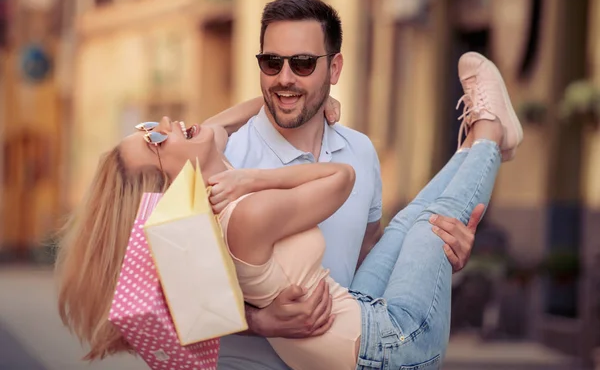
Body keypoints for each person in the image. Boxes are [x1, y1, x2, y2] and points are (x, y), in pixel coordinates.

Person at [55, 49, 522, 370]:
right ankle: (489, 133)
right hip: (389, 348)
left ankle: (479, 143)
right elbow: (340, 181)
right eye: (155, 138)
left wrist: (304, 102)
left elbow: (217, 125)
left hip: (359, 316)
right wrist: (256, 319)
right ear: (169, 183)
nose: (163, 123)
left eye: (302, 65)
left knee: (413, 225)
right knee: (430, 224)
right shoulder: (233, 210)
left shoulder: (212, 172)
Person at [202, 0, 481, 370]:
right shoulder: (226, 158)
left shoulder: (360, 152)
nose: (284, 78)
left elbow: (370, 258)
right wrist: (259, 322)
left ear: (334, 68)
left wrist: (438, 253)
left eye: (302, 63)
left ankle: (485, 138)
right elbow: (177, 297)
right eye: (272, 63)